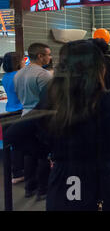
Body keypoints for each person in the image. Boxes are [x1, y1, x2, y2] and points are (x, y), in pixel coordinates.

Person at [4, 40, 110, 210]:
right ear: (98, 68)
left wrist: (49, 153)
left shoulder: (52, 98)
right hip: (102, 180)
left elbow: (14, 134)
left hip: (63, 181)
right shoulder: (107, 99)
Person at [13, 43, 53, 200]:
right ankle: (43, 189)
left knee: (29, 154)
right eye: (48, 55)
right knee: (43, 153)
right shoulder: (43, 75)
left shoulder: (19, 74)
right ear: (40, 56)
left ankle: (30, 187)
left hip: (25, 115)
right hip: (40, 117)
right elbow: (50, 99)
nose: (50, 58)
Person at [2, 52, 25, 184]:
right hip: (19, 112)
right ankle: (19, 173)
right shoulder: (19, 76)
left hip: (9, 111)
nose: (24, 62)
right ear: (17, 62)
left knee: (13, 144)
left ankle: (16, 172)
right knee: (21, 144)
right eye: (22, 60)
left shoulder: (5, 77)